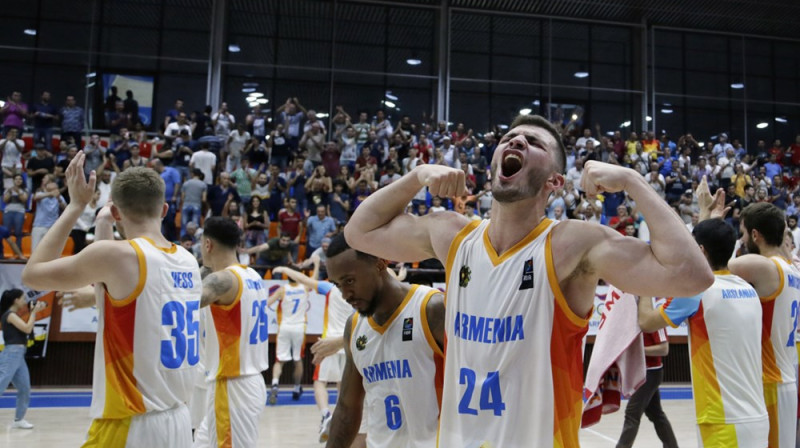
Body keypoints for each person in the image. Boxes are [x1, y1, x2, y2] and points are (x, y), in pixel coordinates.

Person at [344, 114, 713, 447]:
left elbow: (692, 276)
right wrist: (416, 176)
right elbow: (359, 233)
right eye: (509, 137)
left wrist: (633, 182)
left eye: (534, 143)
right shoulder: (451, 234)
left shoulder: (572, 244)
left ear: (554, 180)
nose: (516, 142)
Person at [21, 157, 202, 448]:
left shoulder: (117, 257)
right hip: (178, 420)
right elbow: (133, 299)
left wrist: (75, 206)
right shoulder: (187, 260)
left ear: (116, 212)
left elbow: (32, 275)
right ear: (165, 210)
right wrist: (105, 227)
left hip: (130, 422)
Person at [638, 218, 768, 447]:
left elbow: (647, 322)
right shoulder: (747, 289)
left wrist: (645, 283)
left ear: (700, 250)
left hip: (722, 420)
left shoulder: (696, 291)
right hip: (757, 415)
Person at [322, 233, 444, 448]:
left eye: (350, 281)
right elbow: (347, 408)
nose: (345, 294)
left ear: (380, 264)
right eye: (338, 285)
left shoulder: (431, 308)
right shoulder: (354, 327)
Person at [194, 217, 270, 448]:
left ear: (208, 245)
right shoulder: (253, 276)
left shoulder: (223, 280)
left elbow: (184, 301)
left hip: (232, 385)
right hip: (247, 381)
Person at [729, 199, 800, 448]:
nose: (743, 239)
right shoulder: (792, 269)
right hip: (781, 378)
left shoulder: (765, 267)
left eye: (744, 234)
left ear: (755, 235)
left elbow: (718, 265)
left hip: (772, 382)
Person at [271, 265, 356, 443]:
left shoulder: (330, 289)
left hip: (328, 344)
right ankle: (340, 417)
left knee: (319, 382)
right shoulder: (357, 292)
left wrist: (285, 269)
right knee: (342, 384)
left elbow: (304, 279)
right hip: (347, 343)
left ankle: (326, 414)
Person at [615, 327, 678, 448]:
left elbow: (664, 349)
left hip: (650, 373)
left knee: (632, 414)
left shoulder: (656, 322)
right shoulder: (632, 321)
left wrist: (639, 351)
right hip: (640, 372)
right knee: (656, 414)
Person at [0, 289, 46, 429]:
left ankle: (18, 419)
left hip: (19, 355)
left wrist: (33, 312)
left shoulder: (15, 315)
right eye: (22, 298)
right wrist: (34, 313)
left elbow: (27, 328)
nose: (25, 301)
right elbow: (27, 328)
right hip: (11, 354)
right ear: (15, 300)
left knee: (24, 388)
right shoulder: (10, 315)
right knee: (1, 384)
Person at [266, 265, 312, 405]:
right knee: (297, 359)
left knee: (279, 360)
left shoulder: (282, 290)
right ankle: (297, 388)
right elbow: (315, 280)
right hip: (299, 327)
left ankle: (274, 384)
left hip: (285, 326)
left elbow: (268, 303)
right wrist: (315, 264)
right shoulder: (304, 287)